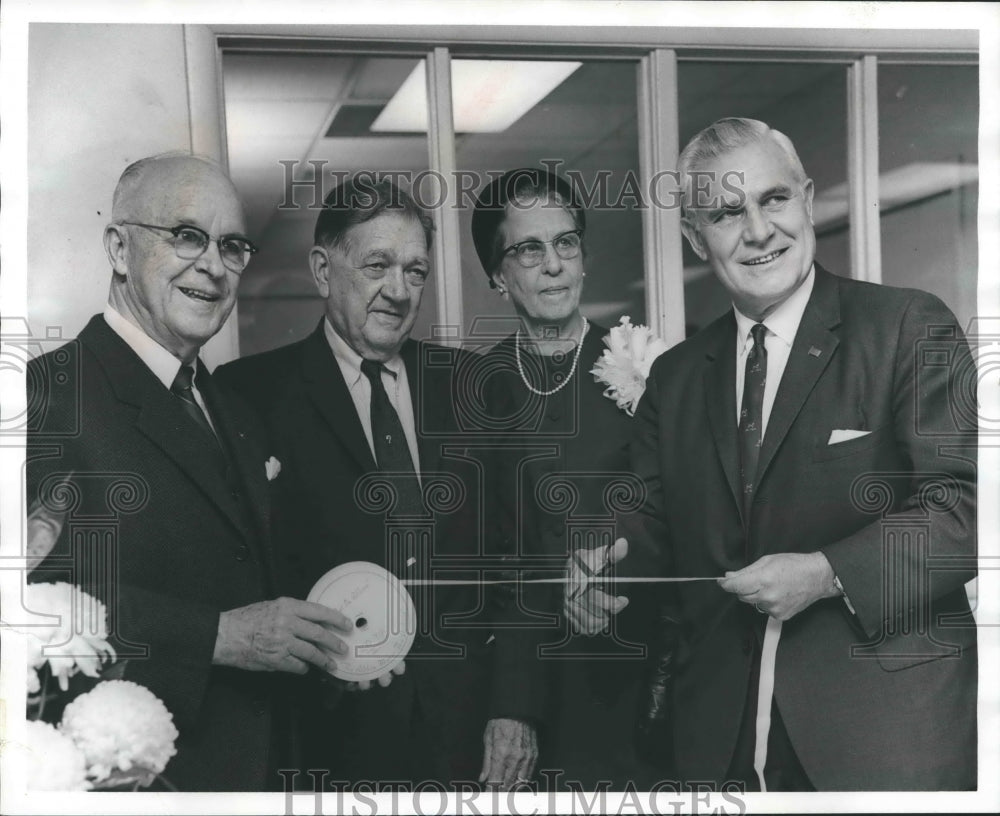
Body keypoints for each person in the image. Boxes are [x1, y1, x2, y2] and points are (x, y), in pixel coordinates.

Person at [568, 118, 978, 790]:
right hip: (719, 744)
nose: (758, 230)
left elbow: (967, 511)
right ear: (696, 238)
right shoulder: (675, 378)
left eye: (774, 199)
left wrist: (826, 572)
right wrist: (595, 569)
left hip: (886, 740)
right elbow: (643, 521)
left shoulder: (907, 325)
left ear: (809, 199)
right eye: (727, 213)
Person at [25, 153, 359, 791]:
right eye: (186, 235)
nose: (213, 264)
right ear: (119, 248)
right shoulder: (45, 397)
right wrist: (216, 637)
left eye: (232, 246)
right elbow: (30, 610)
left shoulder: (233, 406)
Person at [215, 177, 492, 786]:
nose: (399, 291)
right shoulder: (247, 398)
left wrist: (516, 712)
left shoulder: (471, 387)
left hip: (468, 735)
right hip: (322, 740)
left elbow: (514, 562)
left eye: (416, 272)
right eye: (377, 265)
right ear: (322, 269)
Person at [468, 168, 660, 790]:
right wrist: (510, 702)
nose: (552, 264)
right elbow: (488, 563)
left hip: (634, 671)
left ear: (582, 258)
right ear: (499, 275)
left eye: (565, 243)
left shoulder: (649, 373)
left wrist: (616, 570)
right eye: (528, 249)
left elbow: (681, 516)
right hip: (522, 682)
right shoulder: (471, 392)